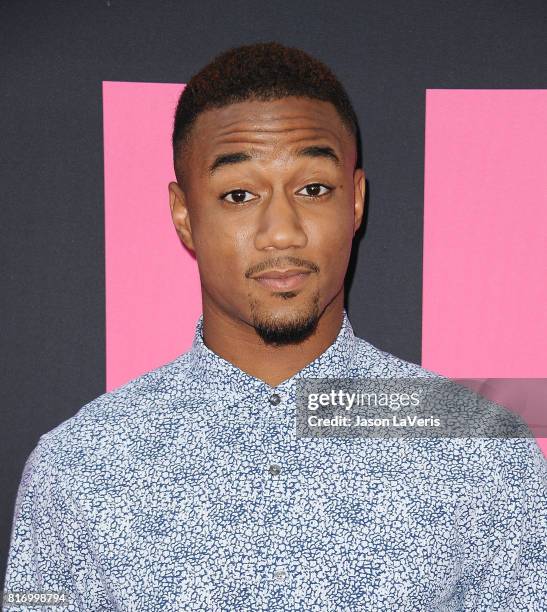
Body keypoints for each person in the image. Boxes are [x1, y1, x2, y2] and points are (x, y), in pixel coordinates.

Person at [3, 42, 546, 611]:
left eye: (313, 189)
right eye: (239, 195)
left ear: (355, 200)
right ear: (185, 215)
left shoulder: (484, 450)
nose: (281, 231)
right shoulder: (77, 469)